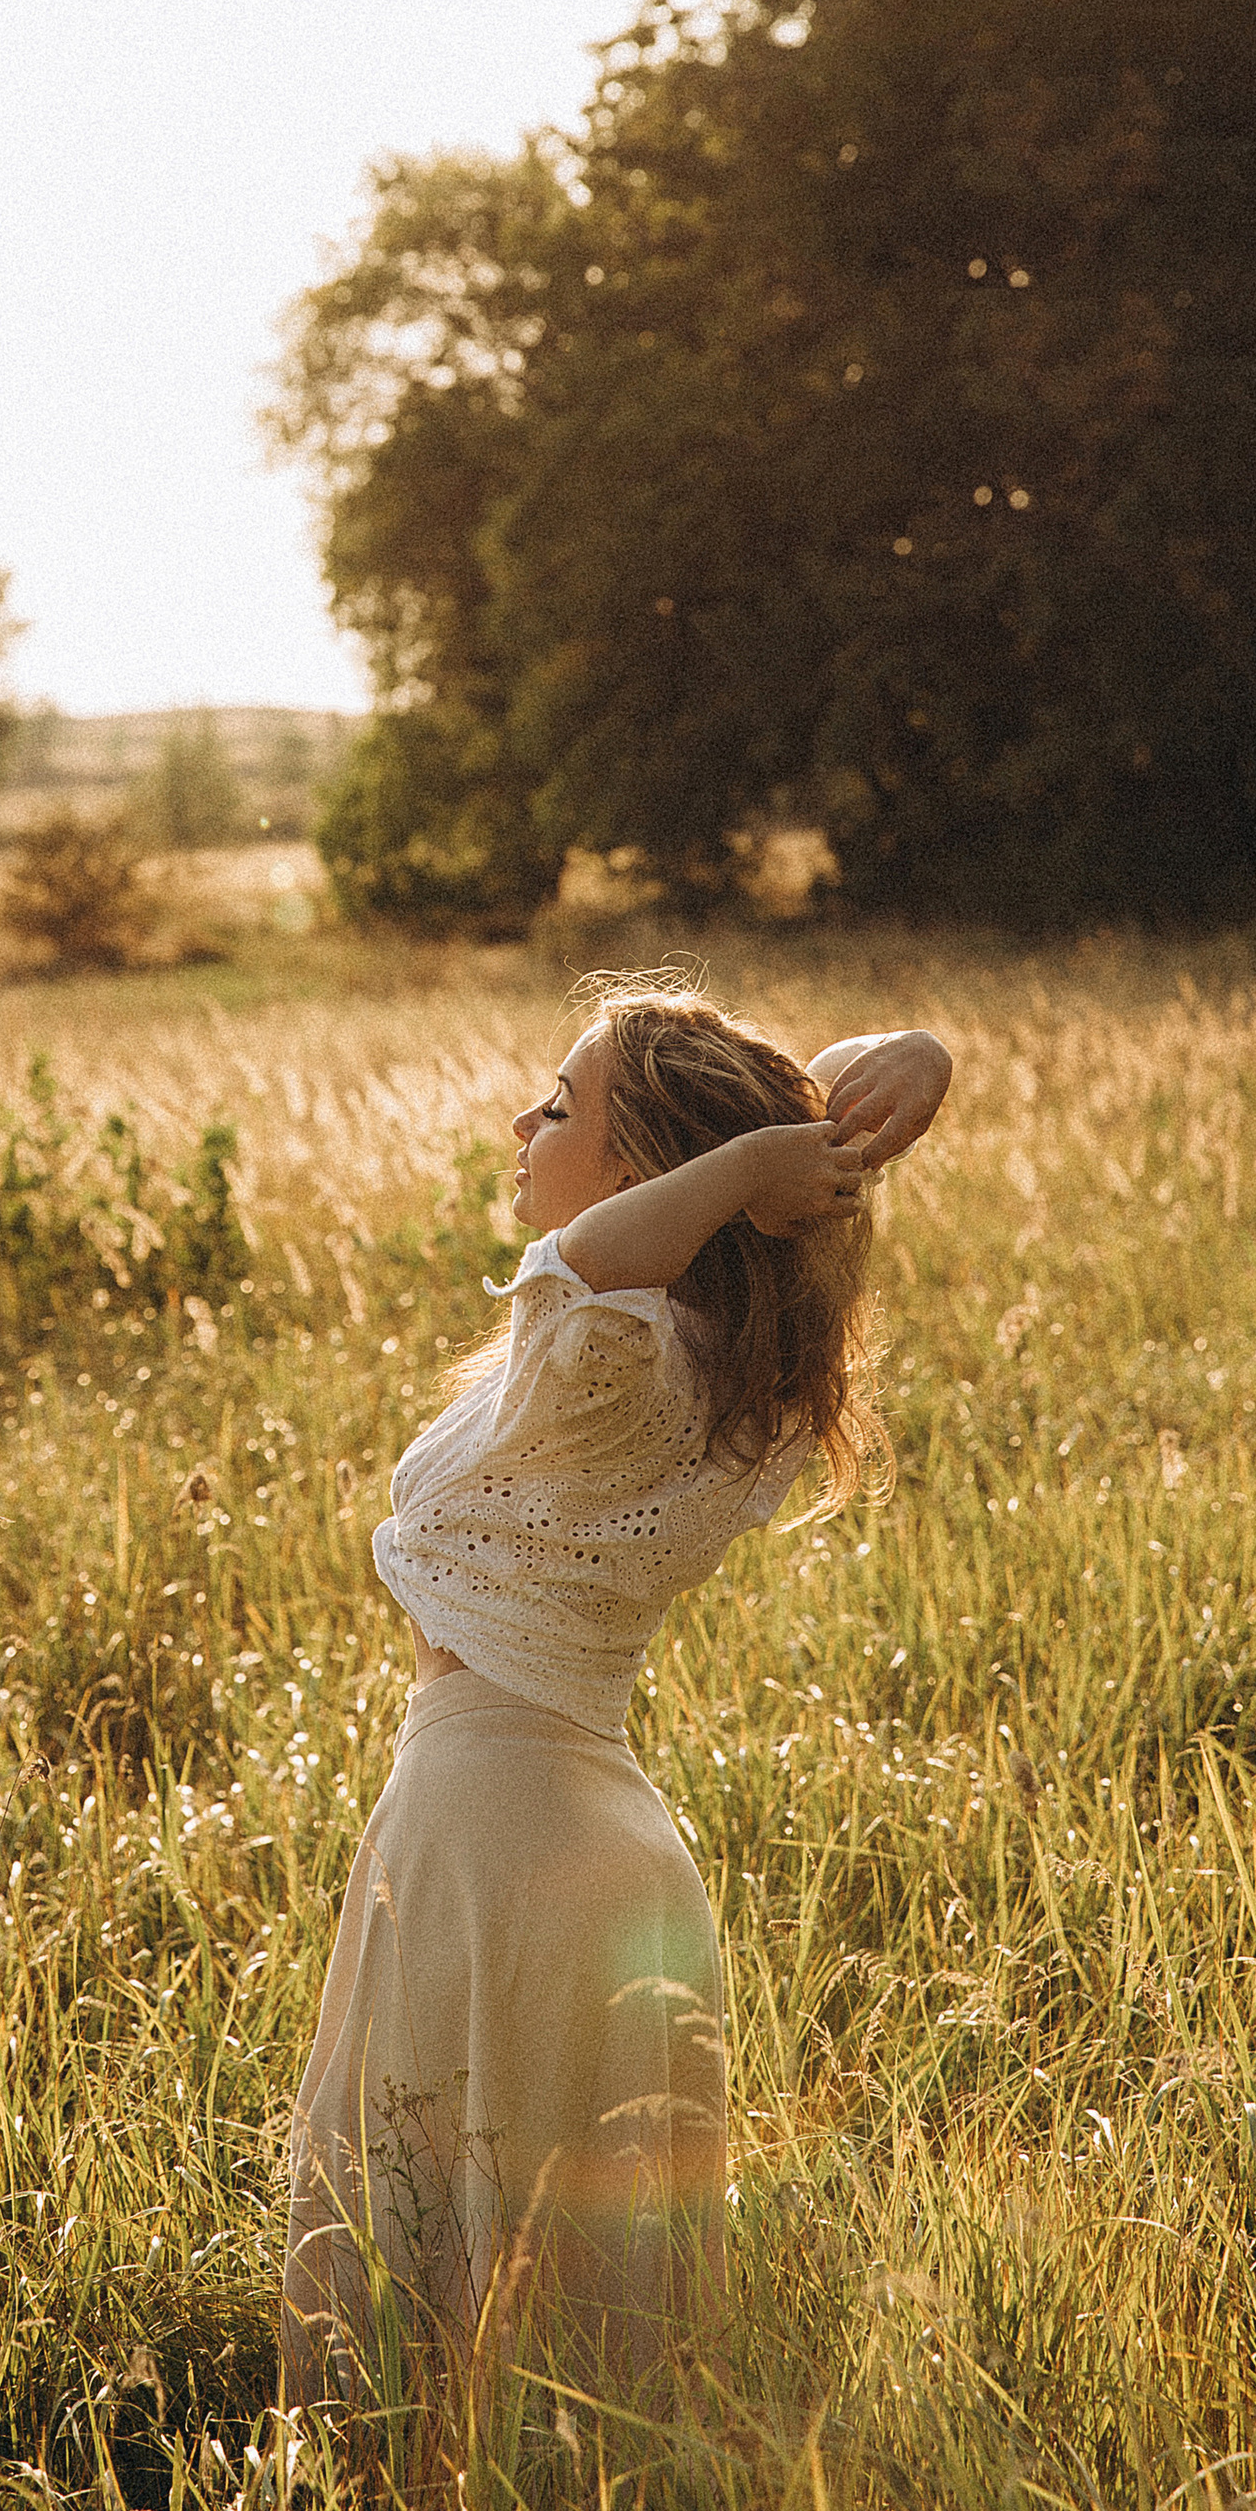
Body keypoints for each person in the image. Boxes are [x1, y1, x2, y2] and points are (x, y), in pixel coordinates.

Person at [280, 978, 952, 2405]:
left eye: (563, 1104)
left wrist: (757, 1162)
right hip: (560, 1813)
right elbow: (790, 1129)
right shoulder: (718, 1363)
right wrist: (911, 1062)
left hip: (496, 1828)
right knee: (541, 2273)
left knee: (443, 2242)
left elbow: (581, 1262)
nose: (525, 1121)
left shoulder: (621, 1359)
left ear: (661, 1172)